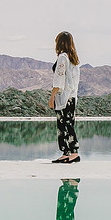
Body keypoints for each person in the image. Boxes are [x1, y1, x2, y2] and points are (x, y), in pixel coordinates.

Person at [48, 31, 80, 163]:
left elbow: (59, 79)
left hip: (63, 97)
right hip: (71, 97)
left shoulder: (63, 58)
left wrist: (52, 96)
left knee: (64, 125)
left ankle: (72, 152)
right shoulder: (74, 60)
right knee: (68, 124)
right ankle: (67, 152)